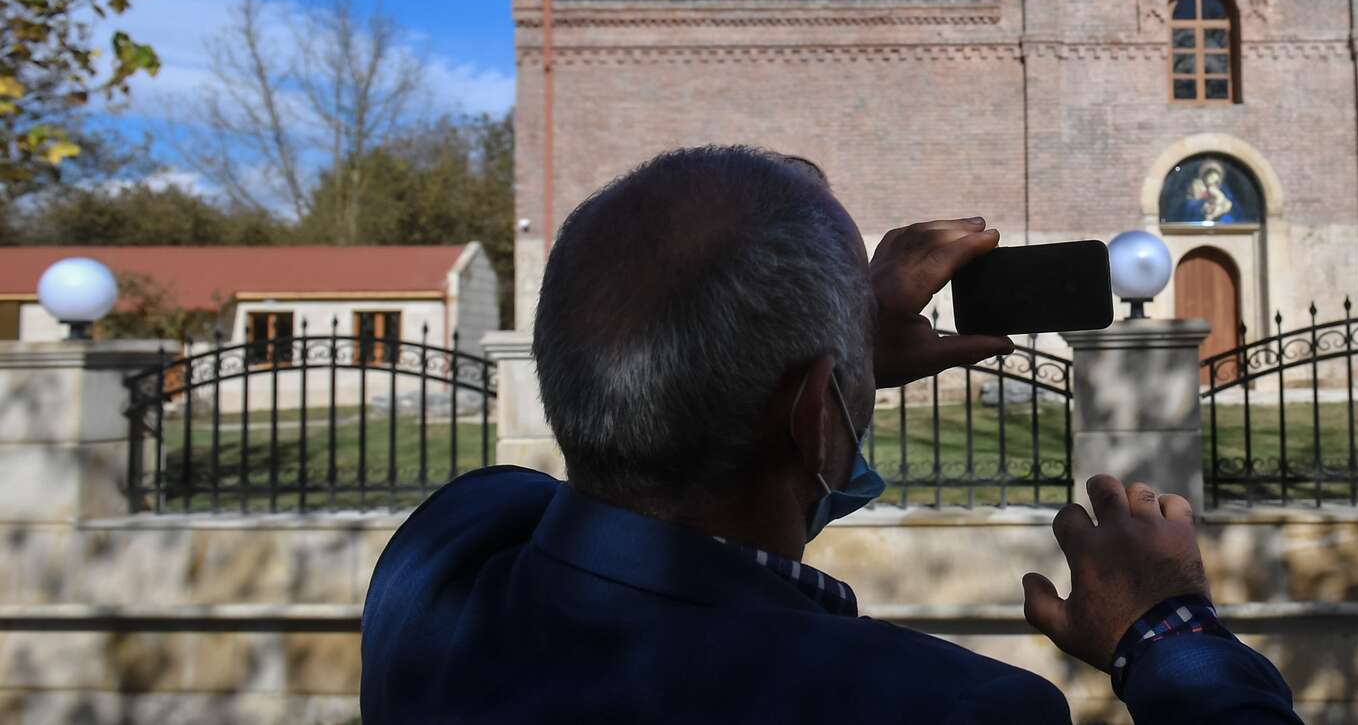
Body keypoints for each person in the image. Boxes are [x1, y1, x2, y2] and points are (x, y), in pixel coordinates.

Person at [360, 146, 1300, 724]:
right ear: (818, 417)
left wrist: (832, 373)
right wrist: (1166, 633)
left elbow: (676, 529)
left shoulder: (440, 560)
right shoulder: (950, 712)